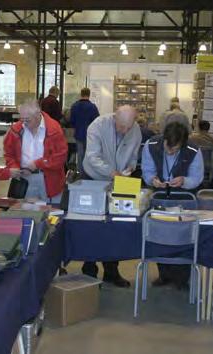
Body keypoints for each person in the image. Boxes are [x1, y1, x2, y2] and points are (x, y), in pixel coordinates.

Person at [82, 105, 142, 287]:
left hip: (119, 180)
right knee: (91, 226)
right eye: (121, 126)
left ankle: (111, 271)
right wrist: (111, 172)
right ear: (114, 116)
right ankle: (89, 271)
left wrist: (130, 166)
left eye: (128, 127)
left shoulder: (135, 129)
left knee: (115, 226)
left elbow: (134, 153)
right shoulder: (97, 126)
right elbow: (92, 157)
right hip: (93, 177)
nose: (125, 131)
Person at [141, 121, 204, 289]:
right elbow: (147, 170)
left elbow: (197, 177)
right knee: (159, 235)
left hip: (183, 198)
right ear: (164, 138)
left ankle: (182, 279)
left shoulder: (193, 150)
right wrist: (152, 179)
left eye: (174, 149)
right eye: (168, 147)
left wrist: (184, 180)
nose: (169, 151)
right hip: (159, 196)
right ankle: (164, 275)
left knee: (183, 237)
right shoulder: (152, 144)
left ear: (183, 143)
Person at [3, 100, 67, 202]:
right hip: (25, 178)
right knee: (26, 212)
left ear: (38, 115)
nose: (24, 123)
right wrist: (14, 167)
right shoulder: (16, 130)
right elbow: (9, 154)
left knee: (52, 212)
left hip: (50, 179)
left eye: (27, 120)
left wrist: (38, 164)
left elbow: (60, 157)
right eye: (22, 119)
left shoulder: (54, 129)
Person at [69, 87, 100, 174]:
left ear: (81, 94)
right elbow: (97, 122)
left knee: (80, 154)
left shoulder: (74, 106)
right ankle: (88, 172)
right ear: (89, 95)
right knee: (89, 154)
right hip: (90, 135)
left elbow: (71, 121)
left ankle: (80, 172)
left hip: (78, 133)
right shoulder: (93, 107)